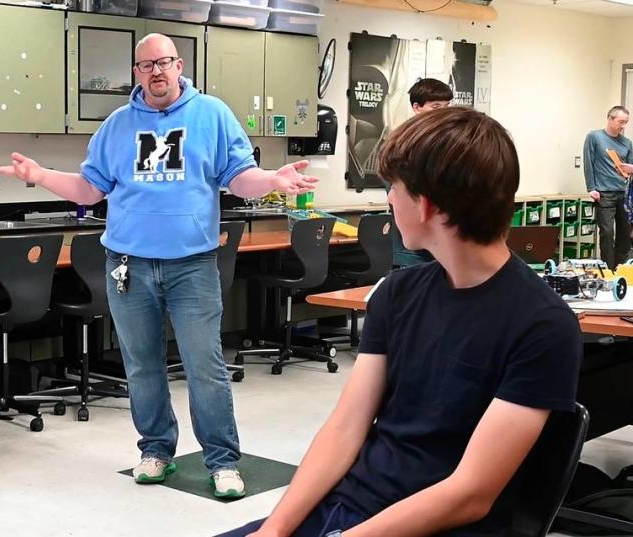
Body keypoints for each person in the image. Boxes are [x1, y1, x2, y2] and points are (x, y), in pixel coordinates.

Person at [219, 107, 583, 536]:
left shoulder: (543, 326)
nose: (388, 199)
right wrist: (275, 530)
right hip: (351, 506)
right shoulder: (398, 293)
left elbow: (470, 493)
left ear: (426, 206)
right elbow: (344, 430)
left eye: (394, 187)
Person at [0, 33, 317, 499]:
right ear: (136, 73)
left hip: (192, 266)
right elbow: (90, 189)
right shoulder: (119, 125)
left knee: (205, 367)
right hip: (129, 266)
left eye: (164, 62)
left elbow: (239, 177)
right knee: (142, 366)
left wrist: (271, 179)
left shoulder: (212, 115)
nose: (157, 72)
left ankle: (222, 460)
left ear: (179, 65)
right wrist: (40, 176)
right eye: (147, 65)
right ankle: (156, 450)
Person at [388, 78, 454, 268]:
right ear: (417, 107)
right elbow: (400, 195)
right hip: (413, 248)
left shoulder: (447, 141)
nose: (442, 112)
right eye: (435, 106)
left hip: (444, 243)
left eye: (446, 106)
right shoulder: (402, 142)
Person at [584, 105, 633, 269]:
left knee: (625, 235)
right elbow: (588, 162)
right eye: (621, 121)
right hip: (604, 193)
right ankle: (608, 270)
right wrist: (591, 187)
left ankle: (619, 269)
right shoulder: (594, 137)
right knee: (607, 233)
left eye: (626, 122)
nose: (623, 126)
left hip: (624, 194)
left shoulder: (627, 143)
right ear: (610, 118)